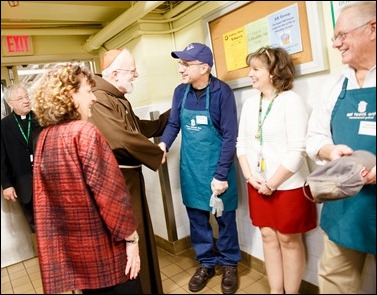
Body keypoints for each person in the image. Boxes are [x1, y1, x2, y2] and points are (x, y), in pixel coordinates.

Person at [32, 63, 142, 294]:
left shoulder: (45, 137)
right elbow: (110, 196)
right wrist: (131, 239)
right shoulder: (84, 132)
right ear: (71, 95)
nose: (92, 98)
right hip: (106, 253)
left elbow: (45, 203)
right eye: (88, 91)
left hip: (76, 257)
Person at [158, 42, 241, 294]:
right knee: (197, 220)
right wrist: (163, 144)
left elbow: (229, 136)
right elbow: (173, 124)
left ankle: (229, 263)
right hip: (191, 168)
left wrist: (220, 174)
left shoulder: (221, 92)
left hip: (218, 168)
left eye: (186, 64)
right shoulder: (179, 92)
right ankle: (206, 262)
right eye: (180, 63)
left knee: (225, 219)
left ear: (204, 68)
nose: (181, 69)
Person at [306, 2, 376, 293]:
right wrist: (329, 152)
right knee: (335, 283)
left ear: (372, 29)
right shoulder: (336, 86)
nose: (336, 44)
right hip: (345, 209)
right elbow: (313, 137)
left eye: (342, 35)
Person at [88, 48, 169, 294]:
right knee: (131, 239)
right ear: (114, 73)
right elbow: (119, 138)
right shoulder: (99, 97)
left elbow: (137, 128)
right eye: (132, 71)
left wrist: (172, 115)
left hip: (131, 178)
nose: (136, 75)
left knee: (140, 236)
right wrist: (156, 153)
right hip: (119, 181)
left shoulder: (116, 97)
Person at [236, 46, 317, 294]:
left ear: (273, 72)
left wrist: (271, 183)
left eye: (256, 69)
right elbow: (242, 145)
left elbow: (298, 150)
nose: (250, 74)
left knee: (288, 240)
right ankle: (275, 291)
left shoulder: (291, 101)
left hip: (289, 185)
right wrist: (251, 177)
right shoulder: (251, 104)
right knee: (268, 237)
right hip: (258, 184)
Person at [1, 84, 42, 250]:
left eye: (26, 96)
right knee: (33, 220)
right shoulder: (3, 126)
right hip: (23, 182)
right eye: (20, 98)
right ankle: (44, 252)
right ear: (10, 103)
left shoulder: (41, 119)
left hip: (45, 178)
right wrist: (6, 184)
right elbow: (1, 157)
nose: (26, 100)